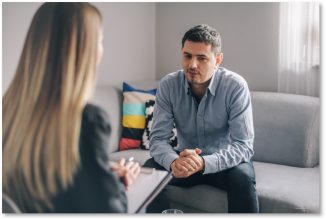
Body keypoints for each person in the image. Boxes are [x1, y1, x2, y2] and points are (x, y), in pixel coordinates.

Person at [2, 2, 140, 213]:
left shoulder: (9, 109)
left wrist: (101, 170)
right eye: (100, 41)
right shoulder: (87, 120)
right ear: (85, 51)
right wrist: (119, 185)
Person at [144, 24, 259, 213]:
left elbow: (243, 146)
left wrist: (204, 163)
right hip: (184, 161)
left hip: (224, 163)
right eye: (187, 56)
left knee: (243, 176)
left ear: (218, 60)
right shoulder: (169, 85)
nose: (192, 65)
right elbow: (157, 140)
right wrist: (173, 162)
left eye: (202, 58)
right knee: (149, 171)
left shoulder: (235, 86)